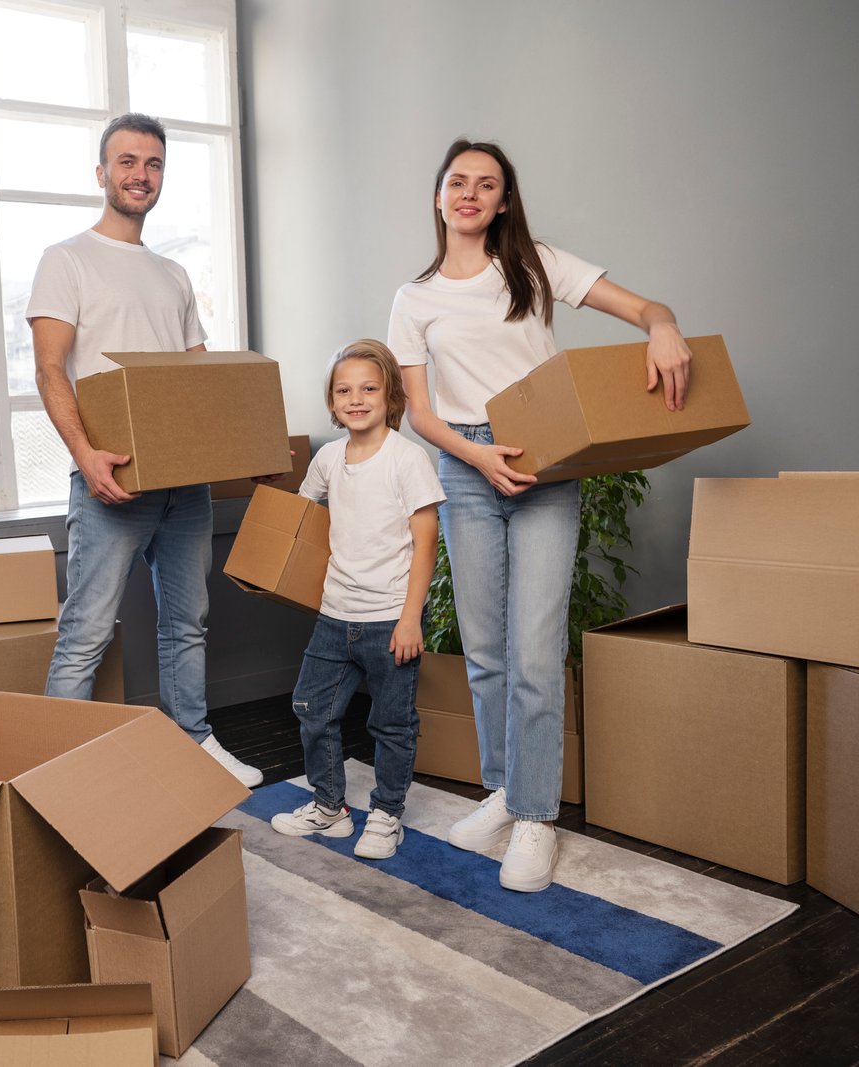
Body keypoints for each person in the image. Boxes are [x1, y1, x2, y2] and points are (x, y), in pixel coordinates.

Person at [388, 138, 692, 891]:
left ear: (502, 201)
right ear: (438, 196)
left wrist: (663, 326)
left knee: (533, 647)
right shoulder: (414, 298)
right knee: (486, 648)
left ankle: (535, 817)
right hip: (465, 466)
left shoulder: (536, 263)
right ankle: (503, 790)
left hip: (547, 461)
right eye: (458, 181)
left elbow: (646, 306)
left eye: (487, 185)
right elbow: (419, 415)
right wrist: (478, 455)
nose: (470, 193)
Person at [27, 113, 262, 787]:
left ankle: (193, 739)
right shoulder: (65, 259)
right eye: (127, 162)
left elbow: (197, 377)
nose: (141, 174)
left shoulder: (173, 274)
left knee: (186, 622)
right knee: (87, 634)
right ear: (102, 174)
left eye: (153, 163)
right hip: (110, 479)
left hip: (183, 484)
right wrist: (85, 456)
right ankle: (54, 775)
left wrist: (236, 446)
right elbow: (50, 368)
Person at [271, 340, 443, 860]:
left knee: (390, 723)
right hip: (333, 614)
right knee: (312, 708)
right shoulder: (328, 458)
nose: (356, 398)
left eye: (369, 388)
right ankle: (330, 806)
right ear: (331, 400)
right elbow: (299, 517)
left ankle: (388, 813)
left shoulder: (407, 458)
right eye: (344, 390)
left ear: (390, 395)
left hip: (390, 618)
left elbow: (427, 540)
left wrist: (411, 619)